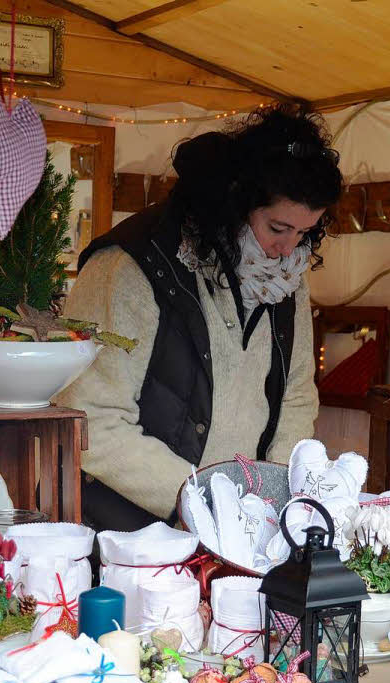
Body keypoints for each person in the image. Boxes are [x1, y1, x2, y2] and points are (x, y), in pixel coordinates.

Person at [58, 106, 343, 532]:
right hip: (131, 532)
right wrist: (200, 499)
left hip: (241, 529)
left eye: (303, 233)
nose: (288, 249)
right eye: (278, 227)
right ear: (236, 203)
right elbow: (89, 421)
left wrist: (271, 501)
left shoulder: (283, 278)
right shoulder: (129, 266)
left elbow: (296, 398)